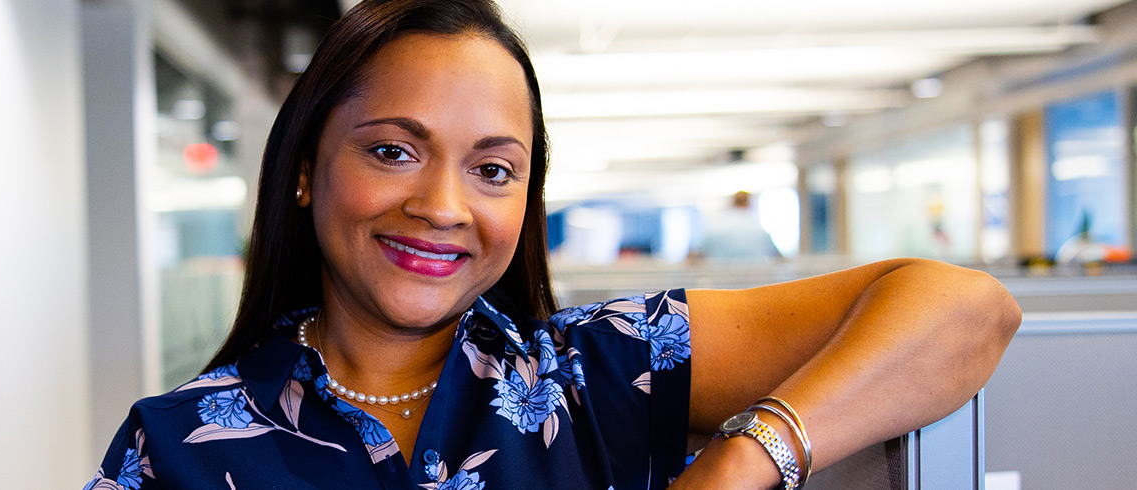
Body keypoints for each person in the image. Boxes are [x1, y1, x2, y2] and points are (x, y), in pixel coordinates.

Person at [83, 1, 1019, 488]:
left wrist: (740, 461)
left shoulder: (600, 374)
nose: (443, 204)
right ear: (304, 169)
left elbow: (965, 310)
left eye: (493, 170)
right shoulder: (175, 446)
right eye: (393, 151)